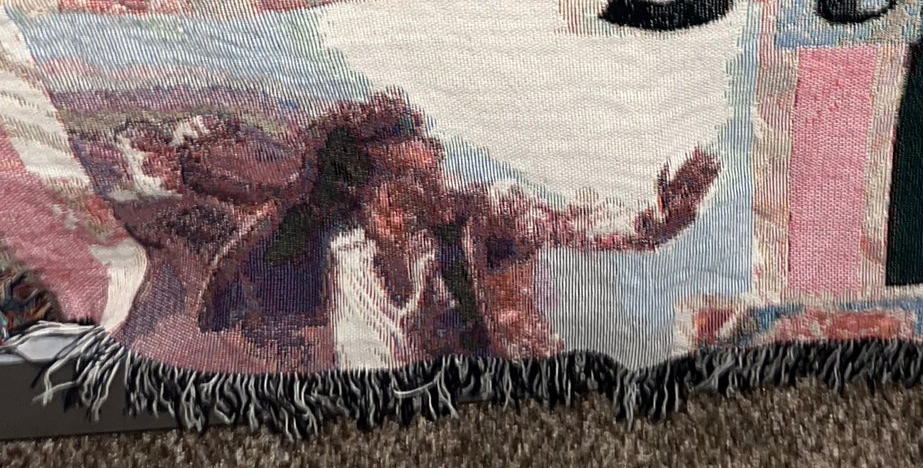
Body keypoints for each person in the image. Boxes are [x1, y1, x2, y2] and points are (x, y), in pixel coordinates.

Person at [109, 96, 721, 372]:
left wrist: (650, 222)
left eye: (430, 174)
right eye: (407, 180)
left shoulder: (478, 222)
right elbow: (223, 297)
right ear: (366, 189)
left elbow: (573, 225)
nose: (429, 189)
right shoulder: (335, 247)